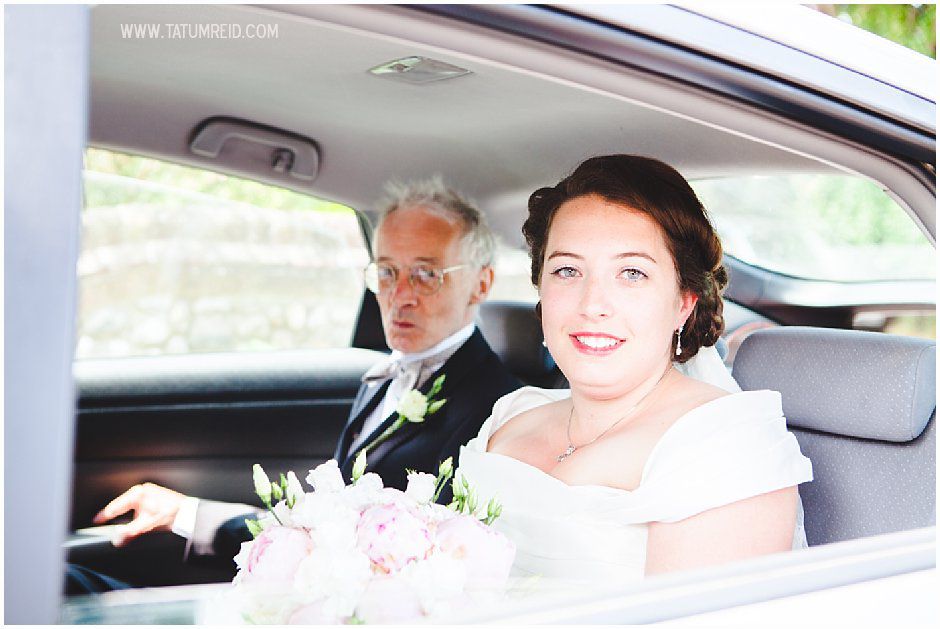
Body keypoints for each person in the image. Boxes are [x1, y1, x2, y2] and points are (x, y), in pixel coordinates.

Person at [91, 177, 522, 565]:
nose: (399, 295)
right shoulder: (381, 380)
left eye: (426, 274)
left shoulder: (496, 411)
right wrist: (192, 515)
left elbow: (409, 558)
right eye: (387, 272)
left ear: (482, 283)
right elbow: (329, 521)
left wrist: (197, 519)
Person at [456, 155, 812, 582]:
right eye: (567, 270)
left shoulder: (727, 444)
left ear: (684, 303)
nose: (592, 305)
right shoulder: (510, 416)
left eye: (631, 273)